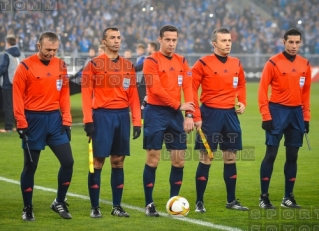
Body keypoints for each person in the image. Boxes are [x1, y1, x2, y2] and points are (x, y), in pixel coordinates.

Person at [13, 31, 74, 221]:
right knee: (30, 166)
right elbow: (17, 97)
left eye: (55, 50)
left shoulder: (61, 65)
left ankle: (59, 201)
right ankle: (28, 207)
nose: (51, 53)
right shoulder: (25, 67)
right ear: (39, 46)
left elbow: (64, 93)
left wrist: (67, 119)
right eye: (48, 49)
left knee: (68, 162)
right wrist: (21, 122)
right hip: (33, 121)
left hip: (55, 120)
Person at [82, 27, 141, 218]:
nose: (117, 41)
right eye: (112, 38)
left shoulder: (128, 65)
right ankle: (95, 207)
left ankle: (116, 206)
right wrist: (88, 120)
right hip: (102, 116)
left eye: (119, 37)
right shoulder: (93, 64)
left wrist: (137, 121)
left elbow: (133, 96)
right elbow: (85, 94)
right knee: (98, 161)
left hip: (122, 116)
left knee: (118, 161)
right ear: (104, 41)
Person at [192, 27, 249, 212]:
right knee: (206, 158)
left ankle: (231, 201)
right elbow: (191, 89)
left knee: (230, 158)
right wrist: (196, 116)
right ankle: (199, 202)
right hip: (209, 115)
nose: (227, 44)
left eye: (229, 41)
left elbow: (241, 84)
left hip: (230, 116)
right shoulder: (202, 63)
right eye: (223, 41)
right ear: (214, 43)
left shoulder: (236, 63)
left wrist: (242, 101)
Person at [142, 24, 194, 217]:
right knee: (153, 159)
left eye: (174, 40)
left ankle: (174, 202)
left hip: (175, 115)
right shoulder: (151, 61)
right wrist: (178, 105)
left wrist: (189, 114)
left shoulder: (182, 61)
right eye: (168, 40)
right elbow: (155, 89)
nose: (171, 43)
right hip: (155, 113)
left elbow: (188, 87)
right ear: (160, 39)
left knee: (179, 161)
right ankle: (149, 203)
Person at [258, 28, 311, 209]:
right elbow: (262, 90)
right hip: (277, 111)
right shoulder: (273, 63)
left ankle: (288, 197)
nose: (294, 46)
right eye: (291, 42)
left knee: (293, 156)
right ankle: (264, 197)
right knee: (271, 155)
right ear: (284, 42)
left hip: (296, 114)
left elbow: (306, 94)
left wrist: (306, 117)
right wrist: (266, 114)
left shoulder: (305, 64)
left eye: (297, 42)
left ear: (300, 43)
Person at [0, 35, 25, 132]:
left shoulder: (7, 54)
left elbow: (3, 69)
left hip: (8, 83)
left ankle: (8, 127)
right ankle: (20, 126)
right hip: (20, 83)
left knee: (8, 106)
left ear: (8, 43)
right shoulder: (22, 54)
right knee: (19, 105)